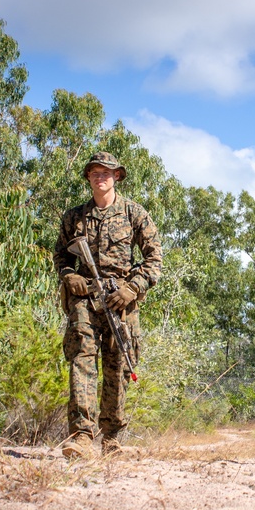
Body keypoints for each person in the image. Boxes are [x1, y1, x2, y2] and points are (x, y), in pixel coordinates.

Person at [54, 151, 162, 457]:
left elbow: (154, 259)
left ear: (117, 176)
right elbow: (61, 255)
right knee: (82, 360)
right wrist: (68, 276)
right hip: (85, 299)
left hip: (120, 301)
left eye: (106, 172)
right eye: (95, 173)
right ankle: (82, 437)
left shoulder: (134, 213)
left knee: (118, 367)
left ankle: (112, 438)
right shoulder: (74, 216)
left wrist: (133, 288)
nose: (100, 177)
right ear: (88, 178)